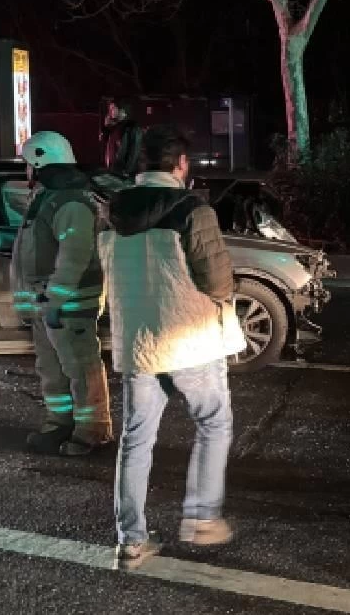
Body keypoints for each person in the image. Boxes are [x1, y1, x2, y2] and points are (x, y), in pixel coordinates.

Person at [98, 124, 246, 569]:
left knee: (136, 440)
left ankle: (130, 541)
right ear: (181, 165)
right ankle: (202, 517)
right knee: (213, 422)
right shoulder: (192, 210)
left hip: (138, 343)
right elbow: (217, 282)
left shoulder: (111, 212)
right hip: (190, 341)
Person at [14, 131, 114, 457]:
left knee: (81, 367)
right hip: (50, 304)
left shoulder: (71, 203)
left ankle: (93, 431)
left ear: (41, 163)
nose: (26, 171)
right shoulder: (49, 198)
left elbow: (74, 257)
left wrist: (55, 300)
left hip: (69, 304)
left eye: (29, 164)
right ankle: (60, 423)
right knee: (53, 368)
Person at [102, 98, 144, 179]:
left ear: (122, 110)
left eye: (113, 108)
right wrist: (106, 128)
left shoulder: (132, 128)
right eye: (109, 109)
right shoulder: (114, 127)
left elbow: (134, 152)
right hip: (114, 171)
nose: (110, 112)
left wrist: (127, 171)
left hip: (124, 174)